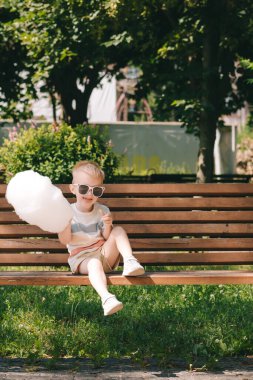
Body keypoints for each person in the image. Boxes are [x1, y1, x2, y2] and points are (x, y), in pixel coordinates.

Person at [58, 160, 145, 316]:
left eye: (96, 190)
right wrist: (64, 225)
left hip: (103, 254)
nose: (89, 194)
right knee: (93, 263)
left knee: (118, 230)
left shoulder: (102, 210)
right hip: (81, 259)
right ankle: (106, 298)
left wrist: (108, 225)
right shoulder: (67, 212)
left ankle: (130, 261)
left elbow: (106, 237)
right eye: (84, 188)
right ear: (73, 189)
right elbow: (64, 241)